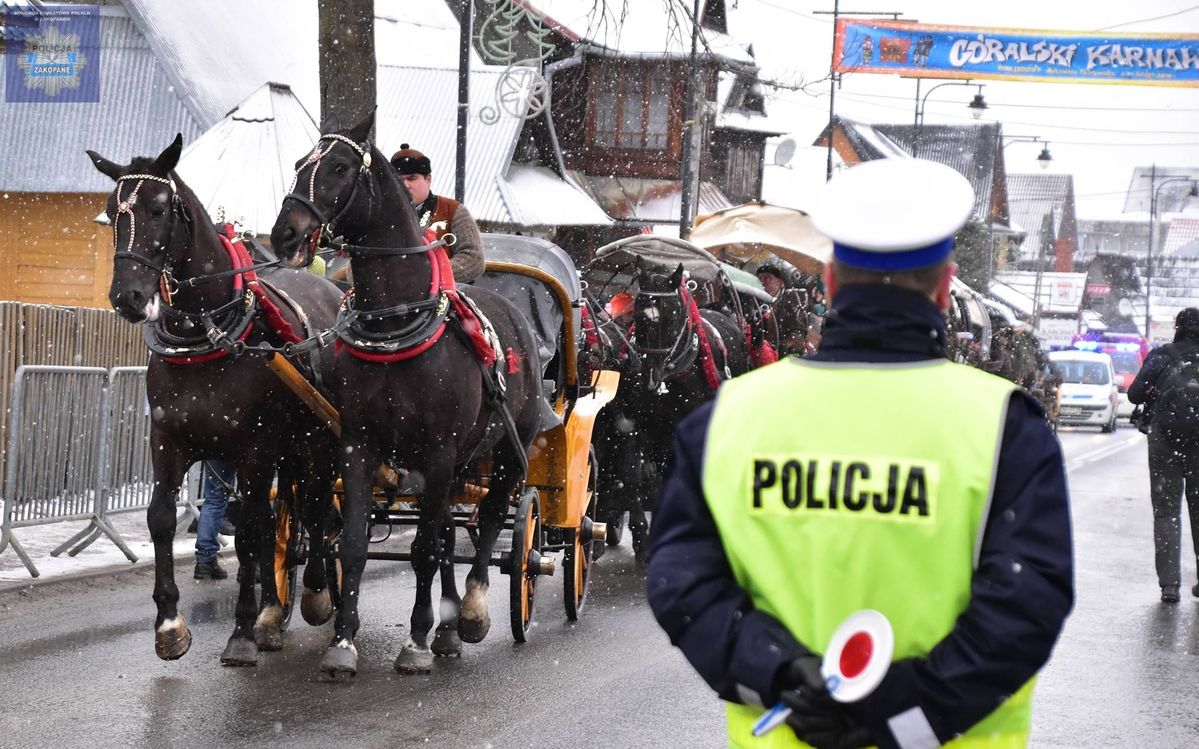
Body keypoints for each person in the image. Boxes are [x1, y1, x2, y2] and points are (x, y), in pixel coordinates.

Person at [646, 158, 1073, 749]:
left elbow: (681, 581)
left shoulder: (729, 418)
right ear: (944, 286)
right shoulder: (1007, 428)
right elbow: (1028, 602)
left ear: (829, 282)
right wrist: (901, 712)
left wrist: (777, 673)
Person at [1127, 307, 1199, 603]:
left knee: (1167, 512)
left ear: (1178, 327)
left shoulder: (1162, 354)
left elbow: (1133, 395)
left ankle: (1169, 584)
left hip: (1165, 439)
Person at [390, 144, 485, 283]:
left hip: (446, 298)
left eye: (412, 178)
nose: (405, 185)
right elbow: (357, 263)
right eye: (399, 179)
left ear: (428, 179)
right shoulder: (380, 216)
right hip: (390, 299)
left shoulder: (452, 211)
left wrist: (427, 274)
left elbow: (473, 260)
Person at [194, 459, 237, 580]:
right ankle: (251, 562)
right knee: (254, 496)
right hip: (246, 444)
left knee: (214, 499)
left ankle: (205, 559)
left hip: (216, 446)